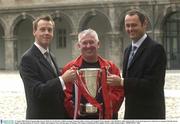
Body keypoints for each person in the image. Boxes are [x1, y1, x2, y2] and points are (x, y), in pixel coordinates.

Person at [109, 10, 167, 119]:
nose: (130, 29)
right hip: (131, 113)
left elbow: (153, 85)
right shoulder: (127, 50)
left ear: (144, 24)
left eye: (134, 25)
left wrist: (122, 82)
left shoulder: (155, 49)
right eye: (127, 26)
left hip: (150, 114)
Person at [19, 15, 76, 119]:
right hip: (41, 117)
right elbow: (37, 92)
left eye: (49, 30)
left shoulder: (51, 55)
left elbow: (56, 88)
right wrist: (62, 79)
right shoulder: (27, 59)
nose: (46, 33)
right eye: (42, 29)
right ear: (34, 32)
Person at [62, 29, 124, 119]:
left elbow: (119, 92)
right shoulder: (69, 69)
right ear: (79, 45)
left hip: (104, 118)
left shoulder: (111, 68)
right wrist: (77, 110)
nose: (88, 46)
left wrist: (105, 107)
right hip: (79, 118)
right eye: (84, 43)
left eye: (91, 42)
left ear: (98, 44)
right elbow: (65, 95)